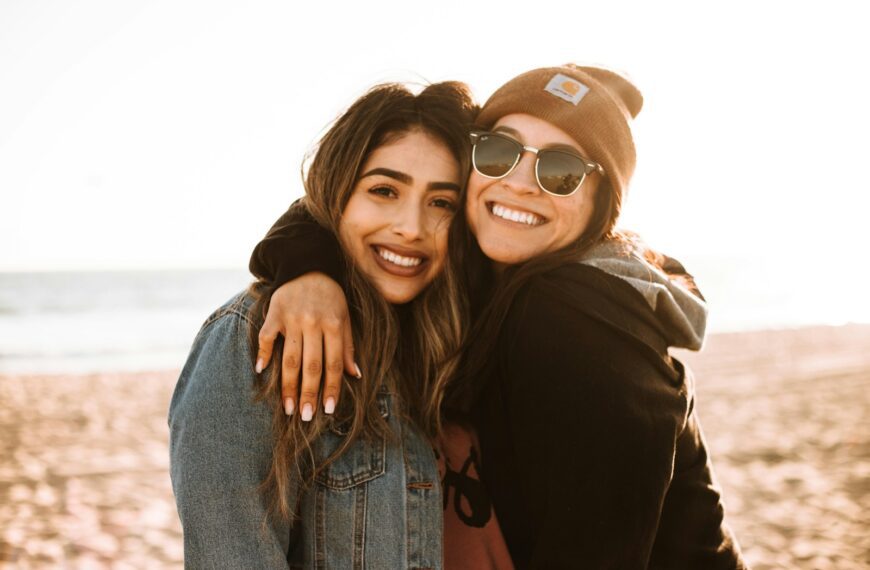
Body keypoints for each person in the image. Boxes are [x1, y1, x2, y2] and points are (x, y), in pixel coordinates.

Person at [247, 65, 748, 568]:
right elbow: (342, 195)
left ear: (601, 204)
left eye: (560, 170)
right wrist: (310, 270)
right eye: (498, 152)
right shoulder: (489, 270)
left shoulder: (576, 319)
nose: (521, 184)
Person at [168, 81, 513, 568]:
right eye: (384, 190)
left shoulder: (453, 336)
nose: (411, 227)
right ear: (337, 195)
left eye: (442, 203)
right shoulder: (255, 340)